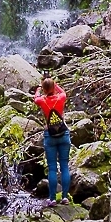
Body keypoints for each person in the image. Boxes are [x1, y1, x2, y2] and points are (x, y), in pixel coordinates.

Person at [33, 76, 71, 206]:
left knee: (52, 169)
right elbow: (63, 92)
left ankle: (52, 199)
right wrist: (55, 84)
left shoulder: (42, 101)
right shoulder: (61, 98)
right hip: (64, 134)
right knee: (65, 166)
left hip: (50, 136)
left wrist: (38, 88)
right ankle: (65, 197)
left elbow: (35, 98)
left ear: (44, 89)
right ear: (54, 87)